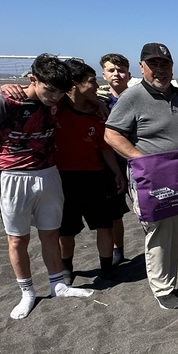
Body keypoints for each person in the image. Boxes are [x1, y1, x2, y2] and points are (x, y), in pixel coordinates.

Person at [0, 54, 94, 320]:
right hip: (13, 175)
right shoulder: (5, 101)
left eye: (59, 92)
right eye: (48, 89)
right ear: (33, 80)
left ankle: (58, 284)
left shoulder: (58, 102)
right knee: (17, 239)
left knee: (51, 234)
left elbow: (86, 94)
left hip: (49, 174)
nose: (53, 96)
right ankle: (27, 292)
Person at [104, 42, 178, 310]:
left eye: (165, 64)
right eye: (153, 65)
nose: (160, 70)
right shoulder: (133, 97)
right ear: (142, 67)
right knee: (162, 234)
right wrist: (141, 160)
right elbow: (111, 134)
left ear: (172, 67)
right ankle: (163, 287)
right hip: (156, 179)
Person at [54, 59, 126, 284]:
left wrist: (117, 172)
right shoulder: (55, 109)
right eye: (91, 81)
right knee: (66, 231)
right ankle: (67, 269)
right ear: (74, 84)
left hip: (96, 176)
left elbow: (105, 147)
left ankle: (106, 268)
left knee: (104, 226)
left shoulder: (98, 112)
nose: (96, 86)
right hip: (64, 178)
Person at [98, 52, 132, 266]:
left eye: (120, 70)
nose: (117, 74)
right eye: (111, 70)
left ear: (129, 73)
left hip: (136, 160)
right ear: (104, 74)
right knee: (114, 212)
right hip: (110, 163)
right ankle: (117, 250)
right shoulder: (99, 101)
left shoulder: (138, 96)